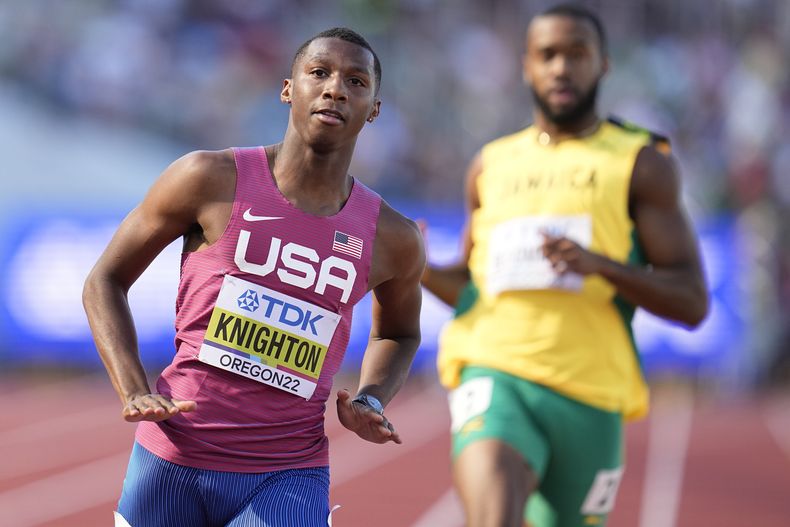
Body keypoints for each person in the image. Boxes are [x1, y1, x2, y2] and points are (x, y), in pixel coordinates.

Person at [83, 27, 425, 527]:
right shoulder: (207, 178)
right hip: (174, 456)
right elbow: (105, 280)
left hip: (288, 471)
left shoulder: (393, 237)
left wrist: (371, 396)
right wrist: (134, 389)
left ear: (374, 109)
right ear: (288, 88)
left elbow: (399, 331)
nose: (334, 89)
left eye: (356, 81)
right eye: (319, 73)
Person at [420, 5, 709, 527]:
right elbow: (469, 286)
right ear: (526, 66)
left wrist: (604, 267)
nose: (561, 68)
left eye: (577, 54)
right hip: (494, 369)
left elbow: (691, 302)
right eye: (547, 55)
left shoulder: (641, 163)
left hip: (590, 394)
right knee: (494, 508)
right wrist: (417, 266)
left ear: (603, 65)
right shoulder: (490, 164)